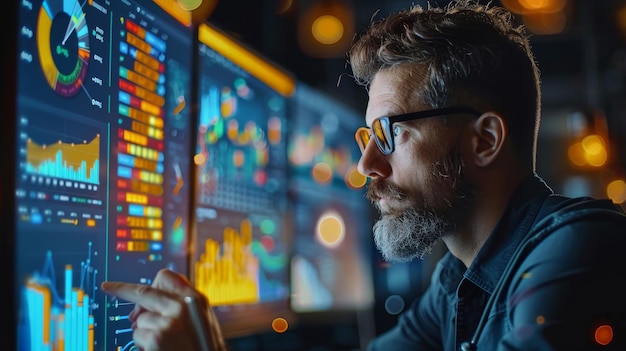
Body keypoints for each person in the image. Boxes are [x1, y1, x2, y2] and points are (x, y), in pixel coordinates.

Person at [101, 0, 626, 350]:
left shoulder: (577, 250)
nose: (365, 166)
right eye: (365, 138)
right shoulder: (458, 281)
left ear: (484, 140)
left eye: (390, 134)